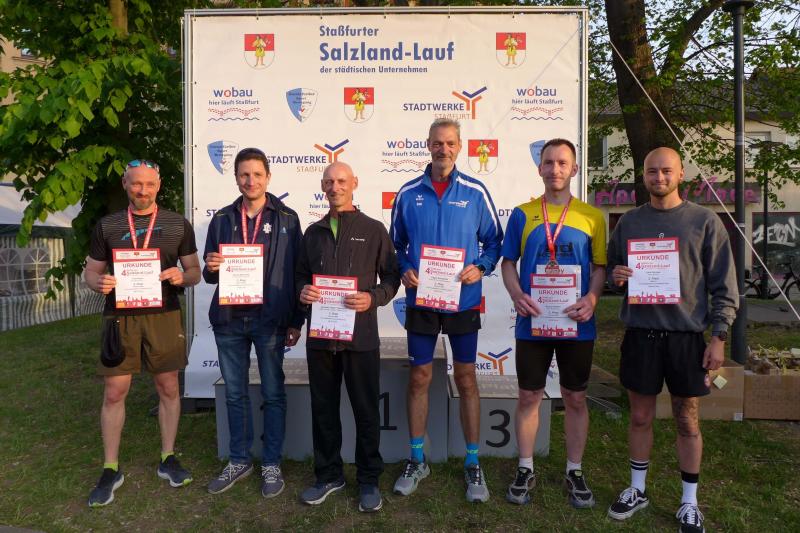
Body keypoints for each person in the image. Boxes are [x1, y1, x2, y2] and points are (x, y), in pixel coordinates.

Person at [605, 147, 738, 533]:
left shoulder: (704, 221)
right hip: (641, 335)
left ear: (681, 174)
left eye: (666, 171)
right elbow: (613, 271)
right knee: (640, 416)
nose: (659, 177)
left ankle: (689, 501)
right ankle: (637, 489)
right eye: (652, 171)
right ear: (643, 176)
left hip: (685, 337)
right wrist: (617, 277)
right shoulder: (629, 222)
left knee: (687, 420)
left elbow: (724, 285)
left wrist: (719, 336)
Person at [390, 118, 503, 503]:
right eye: (437, 143)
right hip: (422, 300)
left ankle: (473, 460)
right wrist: (404, 268)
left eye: (450, 143)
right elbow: (394, 245)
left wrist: (481, 266)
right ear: (428, 145)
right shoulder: (408, 193)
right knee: (420, 376)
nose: (443, 149)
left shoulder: (475, 191)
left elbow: (495, 242)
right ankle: (416, 458)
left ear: (459, 147)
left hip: (463, 300)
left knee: (467, 378)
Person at [85, 159, 201, 507]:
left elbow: (194, 271)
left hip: (163, 316)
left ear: (159, 185)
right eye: (136, 183)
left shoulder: (177, 224)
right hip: (120, 318)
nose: (143, 190)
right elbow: (91, 272)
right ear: (125, 184)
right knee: (114, 392)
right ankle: (110, 467)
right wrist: (98, 283)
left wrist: (182, 277)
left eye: (149, 184)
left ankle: (168, 457)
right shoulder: (107, 225)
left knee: (168, 387)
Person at [500, 138, 606, 507]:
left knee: (575, 397)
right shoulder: (522, 214)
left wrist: (592, 299)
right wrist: (517, 294)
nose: (555, 169)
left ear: (574, 169)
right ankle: (525, 467)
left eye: (562, 163)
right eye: (549, 162)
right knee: (529, 395)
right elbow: (508, 263)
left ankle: (574, 470)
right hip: (534, 320)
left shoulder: (592, 216)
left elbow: (600, 267)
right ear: (539, 168)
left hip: (577, 321)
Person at [296, 161, 400, 513]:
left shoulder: (373, 229)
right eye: (329, 182)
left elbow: (392, 277)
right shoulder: (313, 232)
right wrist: (302, 291)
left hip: (361, 337)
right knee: (323, 409)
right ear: (322, 187)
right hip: (321, 338)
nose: (335, 187)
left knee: (366, 410)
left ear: (354, 183)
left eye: (341, 181)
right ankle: (329, 475)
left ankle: (368, 479)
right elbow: (299, 276)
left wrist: (374, 297)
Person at [203, 148, 304, 498]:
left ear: (268, 177)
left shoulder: (288, 219)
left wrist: (296, 320)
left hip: (270, 320)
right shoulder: (221, 219)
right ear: (236, 178)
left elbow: (297, 273)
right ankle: (239, 459)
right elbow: (209, 274)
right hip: (229, 319)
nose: (251, 181)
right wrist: (211, 267)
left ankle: (271, 462)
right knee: (235, 393)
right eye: (244, 175)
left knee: (273, 393)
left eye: (257, 174)